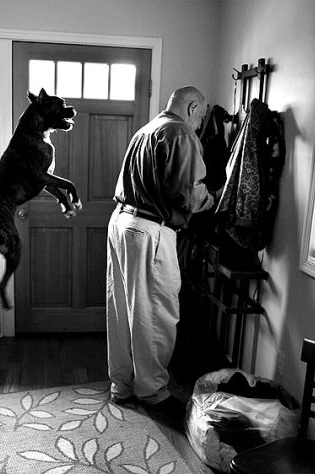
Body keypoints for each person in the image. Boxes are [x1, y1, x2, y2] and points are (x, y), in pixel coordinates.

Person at [106, 86, 215, 417]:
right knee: (155, 313)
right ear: (192, 107)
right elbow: (189, 194)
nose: (200, 124)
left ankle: (122, 385)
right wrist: (213, 198)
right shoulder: (180, 132)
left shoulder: (147, 130)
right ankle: (152, 391)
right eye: (201, 116)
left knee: (122, 309)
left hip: (121, 222)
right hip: (148, 229)